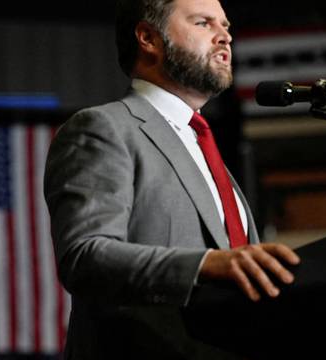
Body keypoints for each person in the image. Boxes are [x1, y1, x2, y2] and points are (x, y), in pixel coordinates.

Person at [43, 0, 301, 358]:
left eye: (225, 25)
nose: (224, 36)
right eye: (203, 23)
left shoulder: (206, 151)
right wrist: (205, 265)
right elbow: (85, 257)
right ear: (149, 37)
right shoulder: (106, 128)